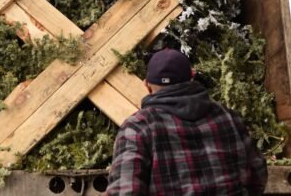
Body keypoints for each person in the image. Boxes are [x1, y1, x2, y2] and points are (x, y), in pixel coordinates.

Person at [106, 48, 268, 195]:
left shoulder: (138, 126)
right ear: (192, 76)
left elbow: (125, 191)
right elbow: (258, 172)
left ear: (147, 85)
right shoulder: (228, 116)